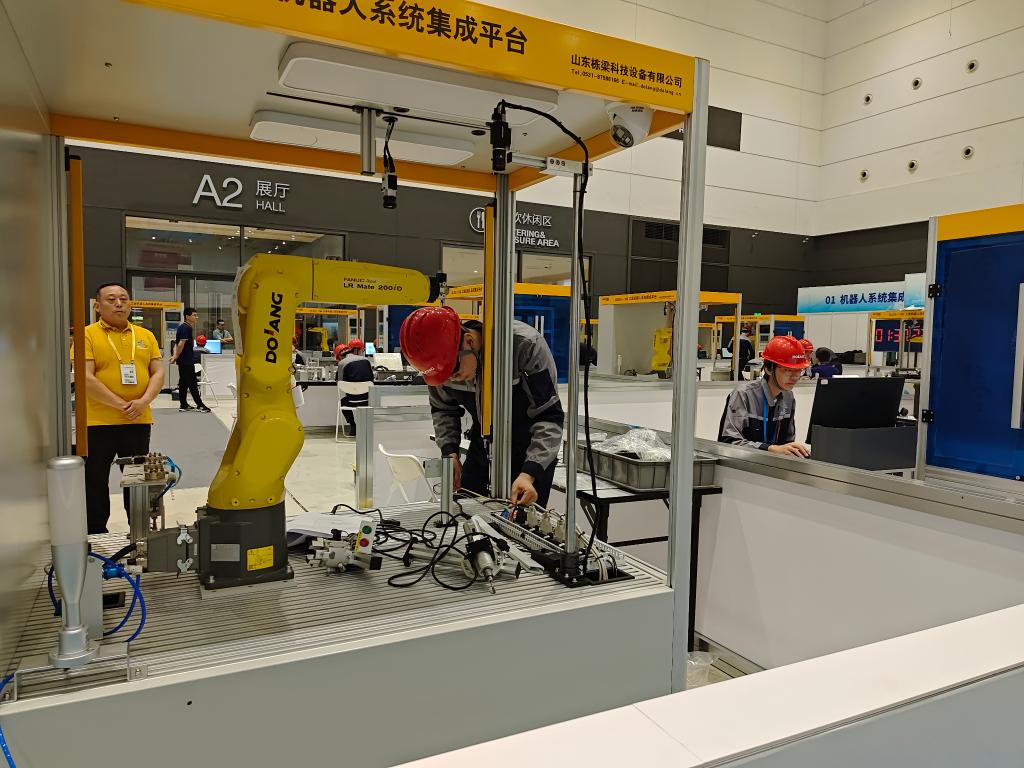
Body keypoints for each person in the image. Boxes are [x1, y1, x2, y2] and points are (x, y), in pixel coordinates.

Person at [401, 306, 563, 507]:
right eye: (442, 377)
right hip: (482, 443)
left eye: (454, 371)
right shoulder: (440, 362)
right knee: (465, 511)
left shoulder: (524, 345)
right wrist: (450, 452)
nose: (451, 379)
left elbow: (549, 417)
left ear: (469, 341)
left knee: (520, 520)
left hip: (529, 448)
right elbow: (443, 409)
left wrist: (529, 473)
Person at [82, 282, 165, 534]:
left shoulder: (145, 335)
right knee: (95, 479)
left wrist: (143, 402)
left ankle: (139, 531)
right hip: (98, 422)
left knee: (137, 479)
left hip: (138, 420)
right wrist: (121, 405)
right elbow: (85, 378)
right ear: (97, 306)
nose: (119, 304)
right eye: (111, 299)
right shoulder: (88, 335)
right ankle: (96, 532)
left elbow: (158, 372)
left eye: (123, 299)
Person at [718, 335, 810, 458]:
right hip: (742, 465)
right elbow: (728, 443)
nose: (795, 377)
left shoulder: (789, 397)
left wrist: (794, 450)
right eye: (788, 370)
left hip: (773, 466)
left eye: (799, 370)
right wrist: (769, 449)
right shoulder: (743, 394)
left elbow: (787, 441)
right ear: (768, 369)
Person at [170, 307, 210, 413]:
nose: (196, 317)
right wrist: (175, 356)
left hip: (183, 360)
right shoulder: (186, 328)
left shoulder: (183, 327)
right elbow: (181, 344)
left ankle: (183, 404)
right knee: (192, 382)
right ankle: (200, 405)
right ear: (187, 316)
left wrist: (175, 356)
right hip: (186, 360)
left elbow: (176, 344)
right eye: (194, 315)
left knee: (183, 382)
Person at [335, 339, 374, 437]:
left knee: (343, 401)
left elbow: (340, 382)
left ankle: (353, 426)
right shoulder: (366, 361)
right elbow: (371, 380)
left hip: (351, 400)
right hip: (368, 400)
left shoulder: (342, 363)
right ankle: (366, 427)